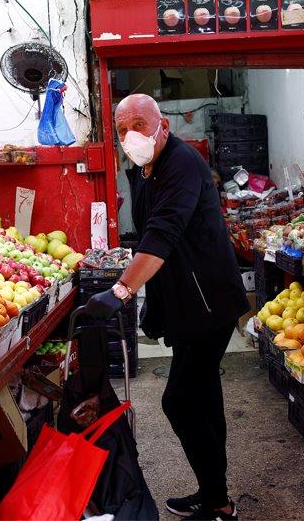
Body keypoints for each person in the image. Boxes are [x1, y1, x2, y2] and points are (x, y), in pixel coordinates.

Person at [83, 94, 249, 520]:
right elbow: (147, 236)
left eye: (139, 124)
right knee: (203, 397)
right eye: (122, 130)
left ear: (164, 127)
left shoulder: (182, 164)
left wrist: (121, 291)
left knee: (179, 399)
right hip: (186, 302)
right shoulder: (143, 170)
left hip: (208, 302)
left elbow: (163, 234)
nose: (130, 136)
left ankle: (217, 500)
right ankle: (216, 495)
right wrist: (148, 300)